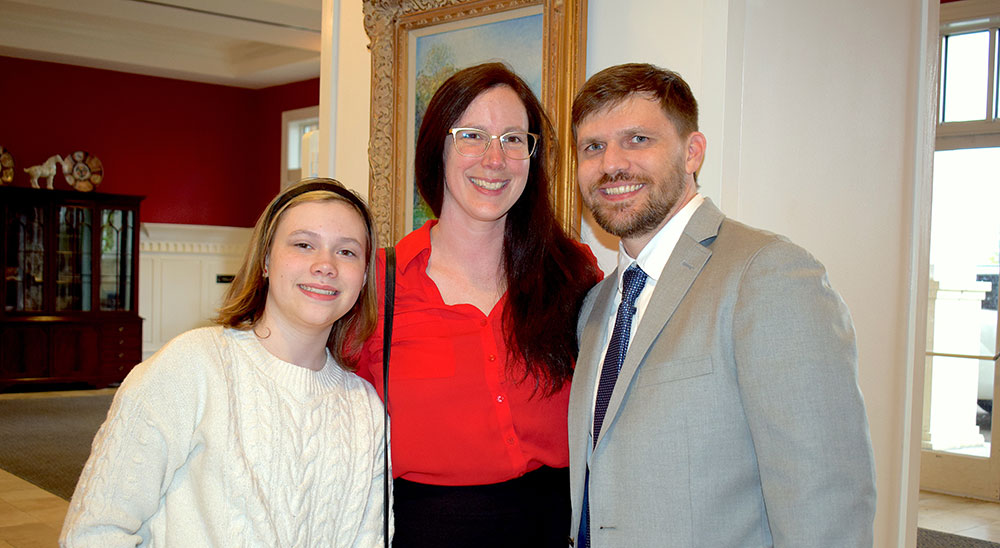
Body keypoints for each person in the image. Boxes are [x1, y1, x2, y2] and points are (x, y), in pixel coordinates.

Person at [568, 63, 877, 547]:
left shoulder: (768, 275)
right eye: (593, 147)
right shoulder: (596, 305)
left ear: (692, 152)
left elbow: (824, 497)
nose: (611, 164)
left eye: (637, 140)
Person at [60, 178, 389, 547]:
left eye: (347, 252)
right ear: (265, 260)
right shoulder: (191, 368)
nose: (324, 265)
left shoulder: (366, 409)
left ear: (363, 278)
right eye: (303, 244)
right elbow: (95, 532)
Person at [356, 62, 602, 547]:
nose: (496, 159)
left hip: (556, 530)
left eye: (515, 139)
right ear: (437, 149)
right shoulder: (376, 286)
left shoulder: (573, 273)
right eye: (473, 135)